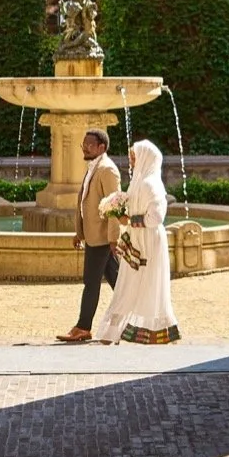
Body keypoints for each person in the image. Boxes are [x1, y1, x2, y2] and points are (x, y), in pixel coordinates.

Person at [95, 138, 180, 345]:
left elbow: (156, 218)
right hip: (135, 238)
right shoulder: (138, 182)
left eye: (134, 157)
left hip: (149, 241)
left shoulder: (152, 185)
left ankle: (155, 330)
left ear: (145, 158)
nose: (131, 161)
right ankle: (113, 331)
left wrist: (128, 220)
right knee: (126, 281)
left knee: (149, 282)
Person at [55, 128, 123, 343]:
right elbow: (85, 202)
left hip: (103, 238)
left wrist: (114, 238)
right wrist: (80, 232)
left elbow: (115, 206)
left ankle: (83, 327)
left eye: (89, 145)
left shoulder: (107, 170)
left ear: (102, 147)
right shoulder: (94, 166)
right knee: (120, 283)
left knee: (91, 282)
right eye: (83, 145)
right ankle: (138, 322)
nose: (84, 148)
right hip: (94, 235)